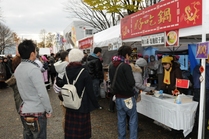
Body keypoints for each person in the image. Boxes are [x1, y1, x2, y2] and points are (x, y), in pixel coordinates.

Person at [14, 40, 52, 139]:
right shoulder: (34, 69)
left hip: (24, 109)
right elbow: (42, 93)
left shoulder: (18, 69)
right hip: (37, 110)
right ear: (32, 53)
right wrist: (48, 109)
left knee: (28, 135)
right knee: (39, 136)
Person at [61, 48, 101, 139]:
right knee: (82, 133)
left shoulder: (66, 71)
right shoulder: (84, 72)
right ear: (80, 58)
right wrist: (96, 104)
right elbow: (90, 91)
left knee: (71, 131)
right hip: (82, 105)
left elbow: (63, 84)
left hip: (70, 104)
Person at [109, 45, 138, 139]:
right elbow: (131, 82)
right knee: (132, 118)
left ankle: (121, 137)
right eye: (129, 55)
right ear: (126, 55)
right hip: (128, 97)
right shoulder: (126, 66)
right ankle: (133, 137)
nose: (129, 57)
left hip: (117, 97)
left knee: (121, 119)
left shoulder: (111, 65)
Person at [53, 50, 69, 131]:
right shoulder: (67, 67)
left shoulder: (59, 67)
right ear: (66, 57)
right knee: (68, 116)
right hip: (68, 95)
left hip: (62, 95)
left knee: (65, 116)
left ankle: (66, 132)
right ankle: (68, 132)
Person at [193, 58, 209, 131]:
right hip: (205, 89)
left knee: (198, 108)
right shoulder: (207, 68)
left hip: (196, 89)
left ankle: (197, 126)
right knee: (205, 109)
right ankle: (203, 127)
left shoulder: (196, 67)